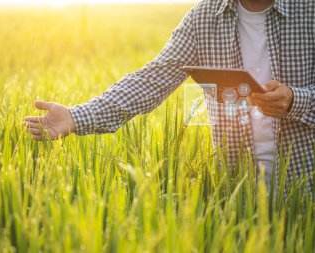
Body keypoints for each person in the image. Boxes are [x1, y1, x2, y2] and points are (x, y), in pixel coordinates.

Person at [24, 0, 314, 192]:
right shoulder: (204, 18)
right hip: (236, 197)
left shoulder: (309, 11)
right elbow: (151, 80)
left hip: (305, 189)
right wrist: (76, 116)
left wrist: (294, 100)